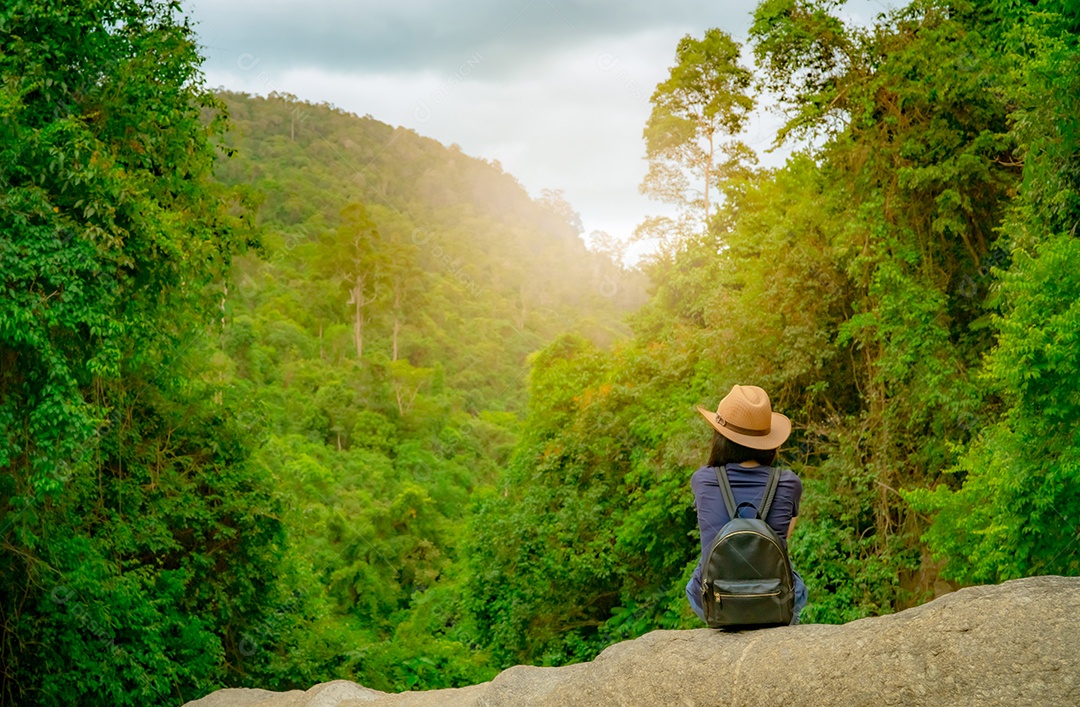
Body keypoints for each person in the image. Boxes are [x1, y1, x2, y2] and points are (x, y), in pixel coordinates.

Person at [686, 384, 808, 625]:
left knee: (694, 584)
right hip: (774, 598)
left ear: (720, 438)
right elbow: (782, 535)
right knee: (798, 584)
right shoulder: (789, 483)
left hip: (716, 599)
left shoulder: (702, 480)